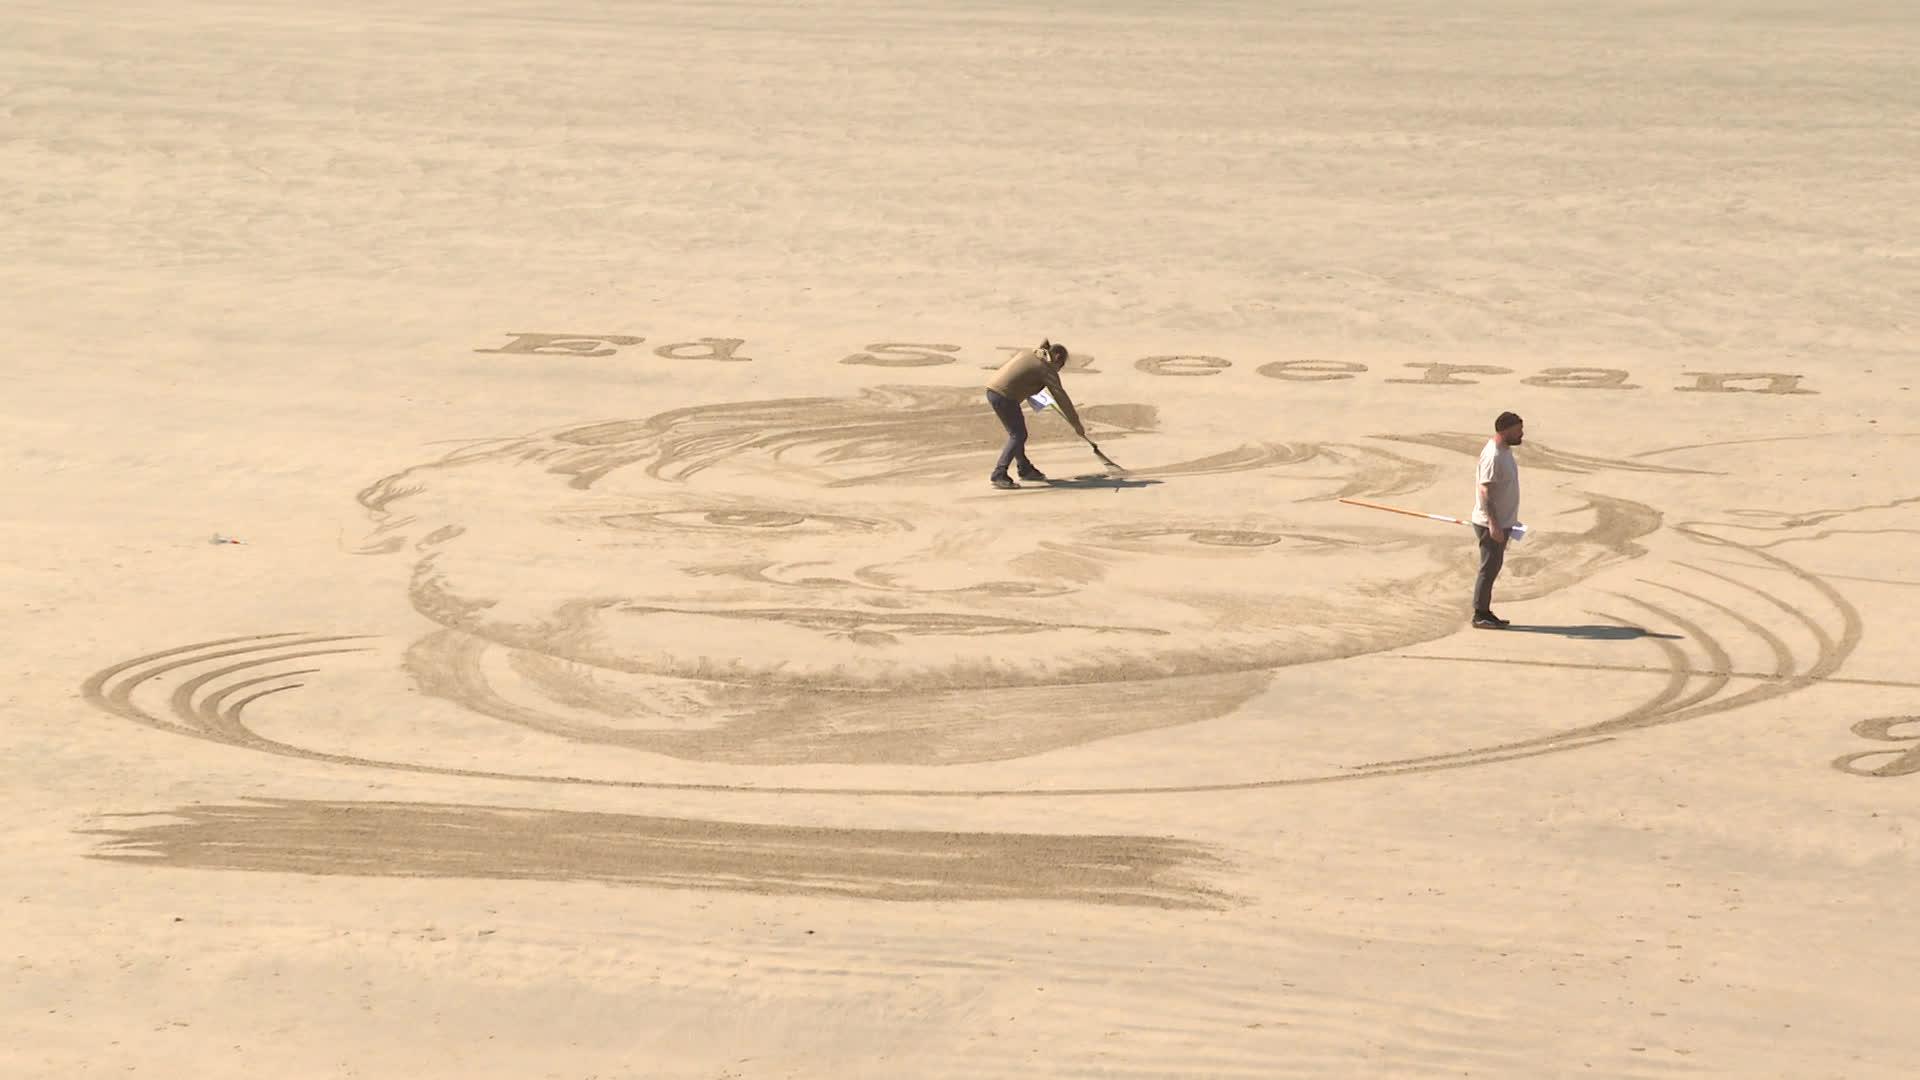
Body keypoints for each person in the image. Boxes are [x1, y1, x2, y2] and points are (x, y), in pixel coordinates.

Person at [983, 339, 1086, 488]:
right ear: (1057, 359)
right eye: (1060, 366)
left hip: (993, 390)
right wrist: (1076, 424)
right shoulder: (1045, 368)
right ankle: (999, 473)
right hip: (1004, 396)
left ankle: (1025, 469)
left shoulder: (1031, 354)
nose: (1058, 370)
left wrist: (1042, 400)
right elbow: (1061, 397)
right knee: (1018, 435)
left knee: (1016, 433)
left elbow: (1025, 381)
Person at [1470, 411, 1524, 628]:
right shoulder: (1494, 456)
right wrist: (1494, 524)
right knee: (1489, 567)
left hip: (1502, 522)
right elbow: (1485, 491)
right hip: (1490, 524)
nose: (1522, 434)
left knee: (1493, 566)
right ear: (1505, 430)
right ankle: (1480, 614)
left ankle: (1484, 611)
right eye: (1518, 430)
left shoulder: (1504, 450)